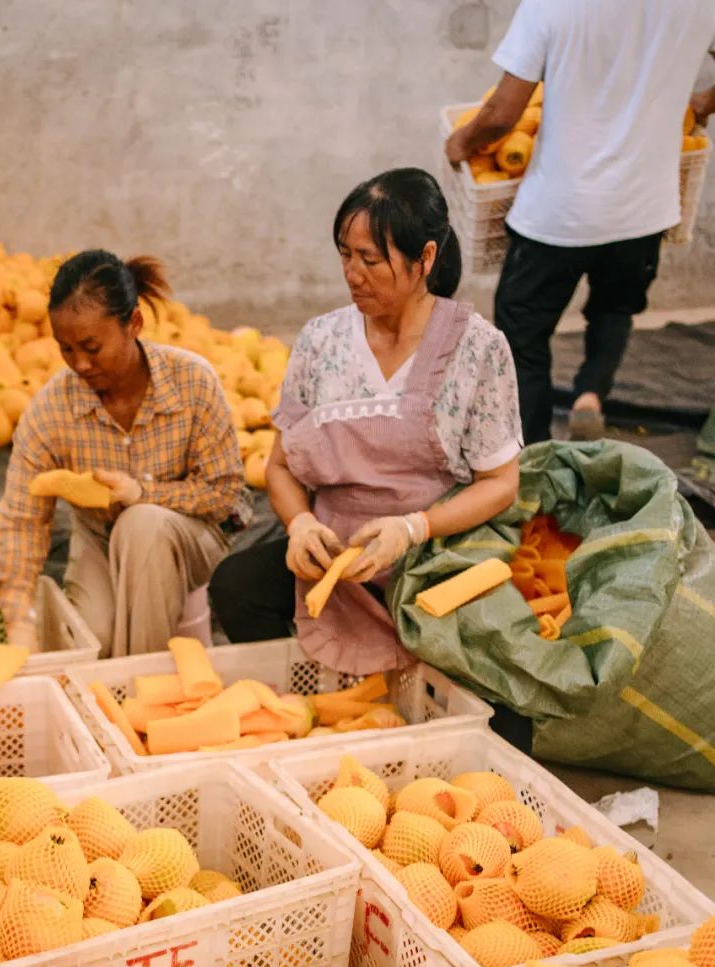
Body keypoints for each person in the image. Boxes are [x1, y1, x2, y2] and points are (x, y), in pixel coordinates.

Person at [209, 168, 521, 669]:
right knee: (235, 587)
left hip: (434, 555)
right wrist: (302, 524)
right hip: (337, 555)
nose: (353, 274)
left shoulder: (477, 348)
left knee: (495, 664)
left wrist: (414, 527)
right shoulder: (320, 341)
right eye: (345, 255)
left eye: (371, 260)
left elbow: (501, 483)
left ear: (425, 259)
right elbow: (281, 467)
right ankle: (315, 690)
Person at [446, 0, 715, 444]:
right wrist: (702, 103)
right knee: (614, 309)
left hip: (558, 211)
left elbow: (501, 115)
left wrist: (461, 141)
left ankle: (533, 455)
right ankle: (590, 393)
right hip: (645, 207)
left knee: (524, 333)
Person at [0, 249, 249, 657]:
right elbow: (23, 521)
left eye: (91, 346)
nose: (81, 364)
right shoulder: (51, 409)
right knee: (93, 639)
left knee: (141, 524)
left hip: (194, 531)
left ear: (134, 323)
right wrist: (20, 621)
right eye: (66, 349)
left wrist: (142, 494)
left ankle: (140, 690)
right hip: (100, 538)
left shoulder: (193, 381)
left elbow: (223, 492)